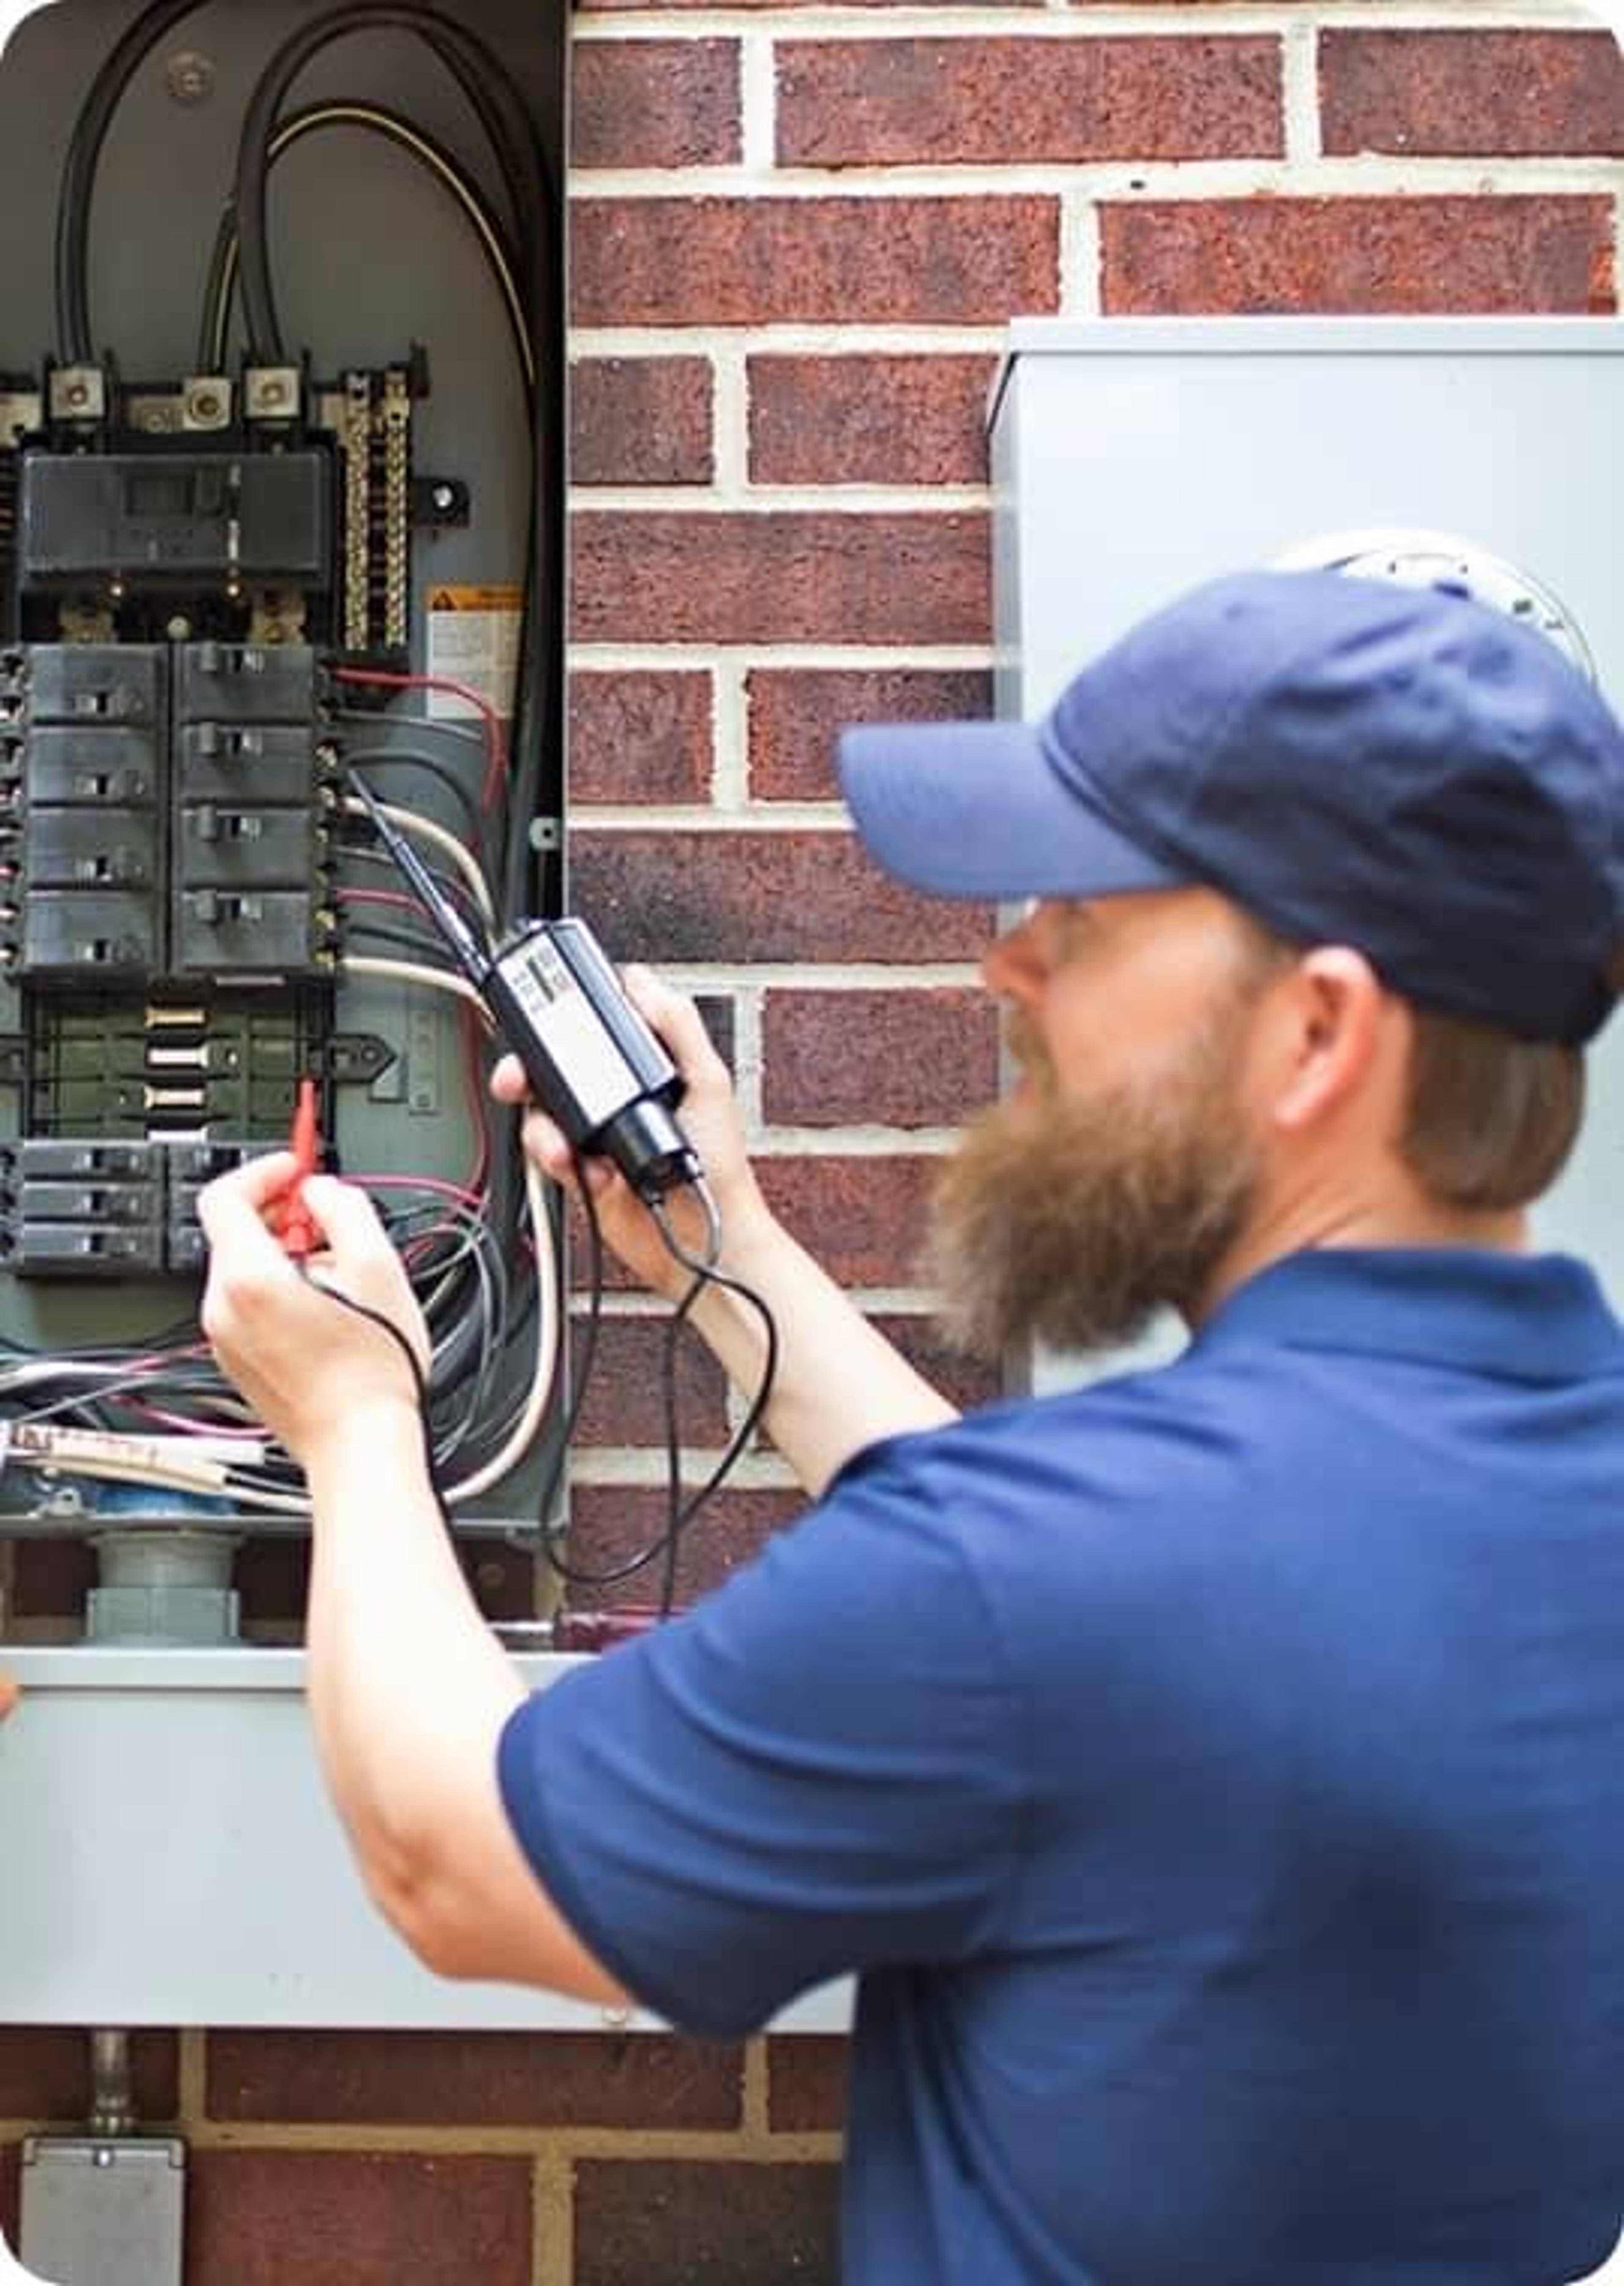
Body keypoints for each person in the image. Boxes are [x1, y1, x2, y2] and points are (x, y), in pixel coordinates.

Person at [197, 568, 1624, 2285]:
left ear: (1318, 1030)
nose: (1006, 963)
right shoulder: (1528, 1482)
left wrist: (352, 1410)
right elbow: (1083, 1611)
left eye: (1083, 917)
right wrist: (727, 1249)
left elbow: (454, 1857)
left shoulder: (1053, 1580)